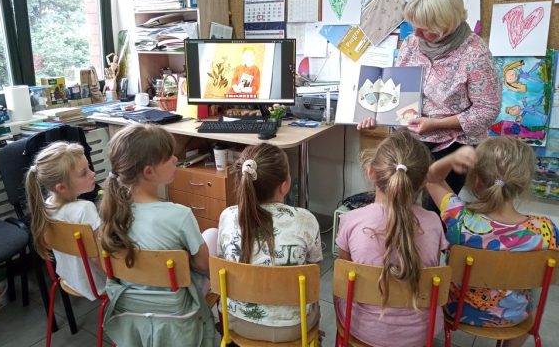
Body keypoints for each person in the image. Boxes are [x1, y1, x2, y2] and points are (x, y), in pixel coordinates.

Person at [358, 0, 501, 212]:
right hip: (409, 140)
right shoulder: (411, 44)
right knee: (396, 203)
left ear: (446, 25)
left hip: (451, 145)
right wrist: (376, 113)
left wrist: (436, 124)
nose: (415, 34)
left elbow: (487, 110)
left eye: (424, 29)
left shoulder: (475, 53)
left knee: (437, 211)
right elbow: (396, 88)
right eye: (413, 26)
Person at [426, 136, 559, 347]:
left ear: (476, 180)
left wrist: (452, 158)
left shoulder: (458, 217)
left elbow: (431, 178)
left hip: (458, 310)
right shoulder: (547, 230)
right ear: (523, 184)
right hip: (514, 316)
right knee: (531, 301)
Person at [99, 124, 215, 347]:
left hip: (129, 304)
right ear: (149, 172)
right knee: (212, 235)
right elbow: (203, 265)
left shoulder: (110, 214)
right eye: (169, 157)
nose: (175, 159)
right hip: (175, 305)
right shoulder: (179, 215)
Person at [335, 130, 448, 346]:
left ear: (371, 171)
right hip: (421, 334)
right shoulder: (434, 222)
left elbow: (345, 279)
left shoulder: (351, 221)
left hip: (362, 328)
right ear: (423, 182)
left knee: (342, 287)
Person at [217, 143, 322, 343]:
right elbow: (314, 267)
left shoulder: (227, 216)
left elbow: (224, 258)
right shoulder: (305, 220)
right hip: (293, 327)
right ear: (284, 185)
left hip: (236, 322)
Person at [26, 142, 105, 301]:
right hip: (97, 283)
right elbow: (98, 259)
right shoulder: (85, 209)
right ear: (61, 187)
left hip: (69, 279)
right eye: (84, 173)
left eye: (89, 167)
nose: (92, 173)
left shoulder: (46, 206)